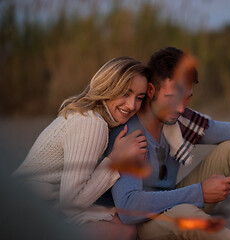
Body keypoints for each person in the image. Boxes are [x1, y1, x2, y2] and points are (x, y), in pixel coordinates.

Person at [106, 47, 230, 240]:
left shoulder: (181, 121)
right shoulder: (128, 132)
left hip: (176, 197)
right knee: (187, 215)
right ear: (150, 90)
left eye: (187, 98)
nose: (180, 108)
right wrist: (200, 192)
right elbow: (128, 206)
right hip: (144, 222)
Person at [13, 57, 151, 240]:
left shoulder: (92, 116)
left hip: (42, 203)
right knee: (123, 230)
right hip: (24, 209)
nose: (132, 105)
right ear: (109, 87)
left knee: (121, 222)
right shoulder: (92, 124)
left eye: (139, 98)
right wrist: (116, 160)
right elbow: (71, 204)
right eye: (125, 93)